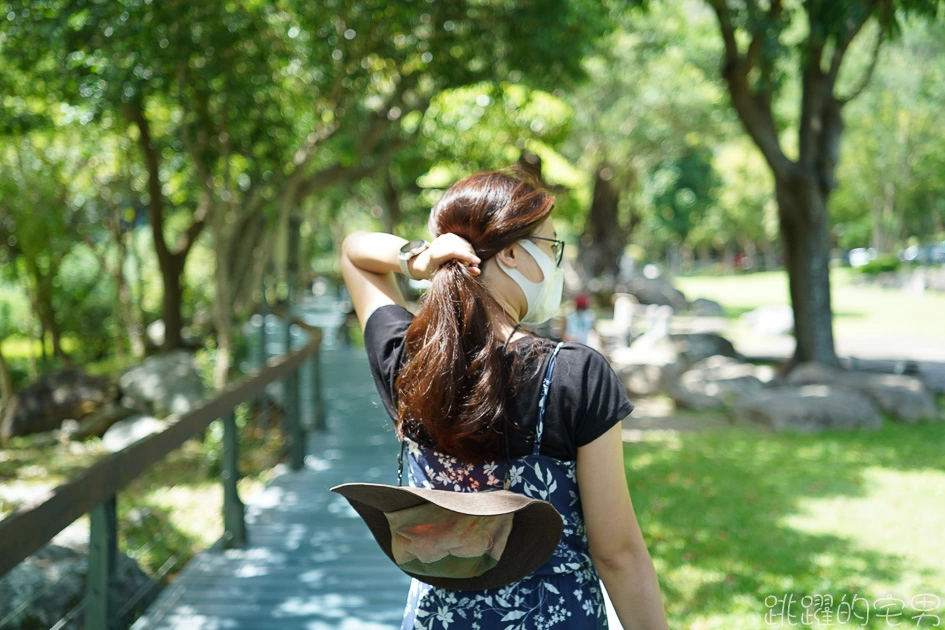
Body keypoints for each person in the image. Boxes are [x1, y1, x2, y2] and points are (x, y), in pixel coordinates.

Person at [340, 168, 669, 630]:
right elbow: (616, 553)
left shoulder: (408, 362)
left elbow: (355, 253)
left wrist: (416, 258)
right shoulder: (575, 375)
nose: (556, 265)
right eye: (552, 247)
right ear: (512, 253)